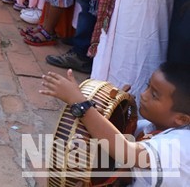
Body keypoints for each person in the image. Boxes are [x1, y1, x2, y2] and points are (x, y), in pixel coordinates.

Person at [40, 63, 190, 186]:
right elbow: (115, 135)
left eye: (154, 95)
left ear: (181, 119)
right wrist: (113, 112)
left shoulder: (181, 145)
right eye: (148, 86)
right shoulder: (151, 126)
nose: (144, 95)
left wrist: (81, 104)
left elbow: (126, 152)